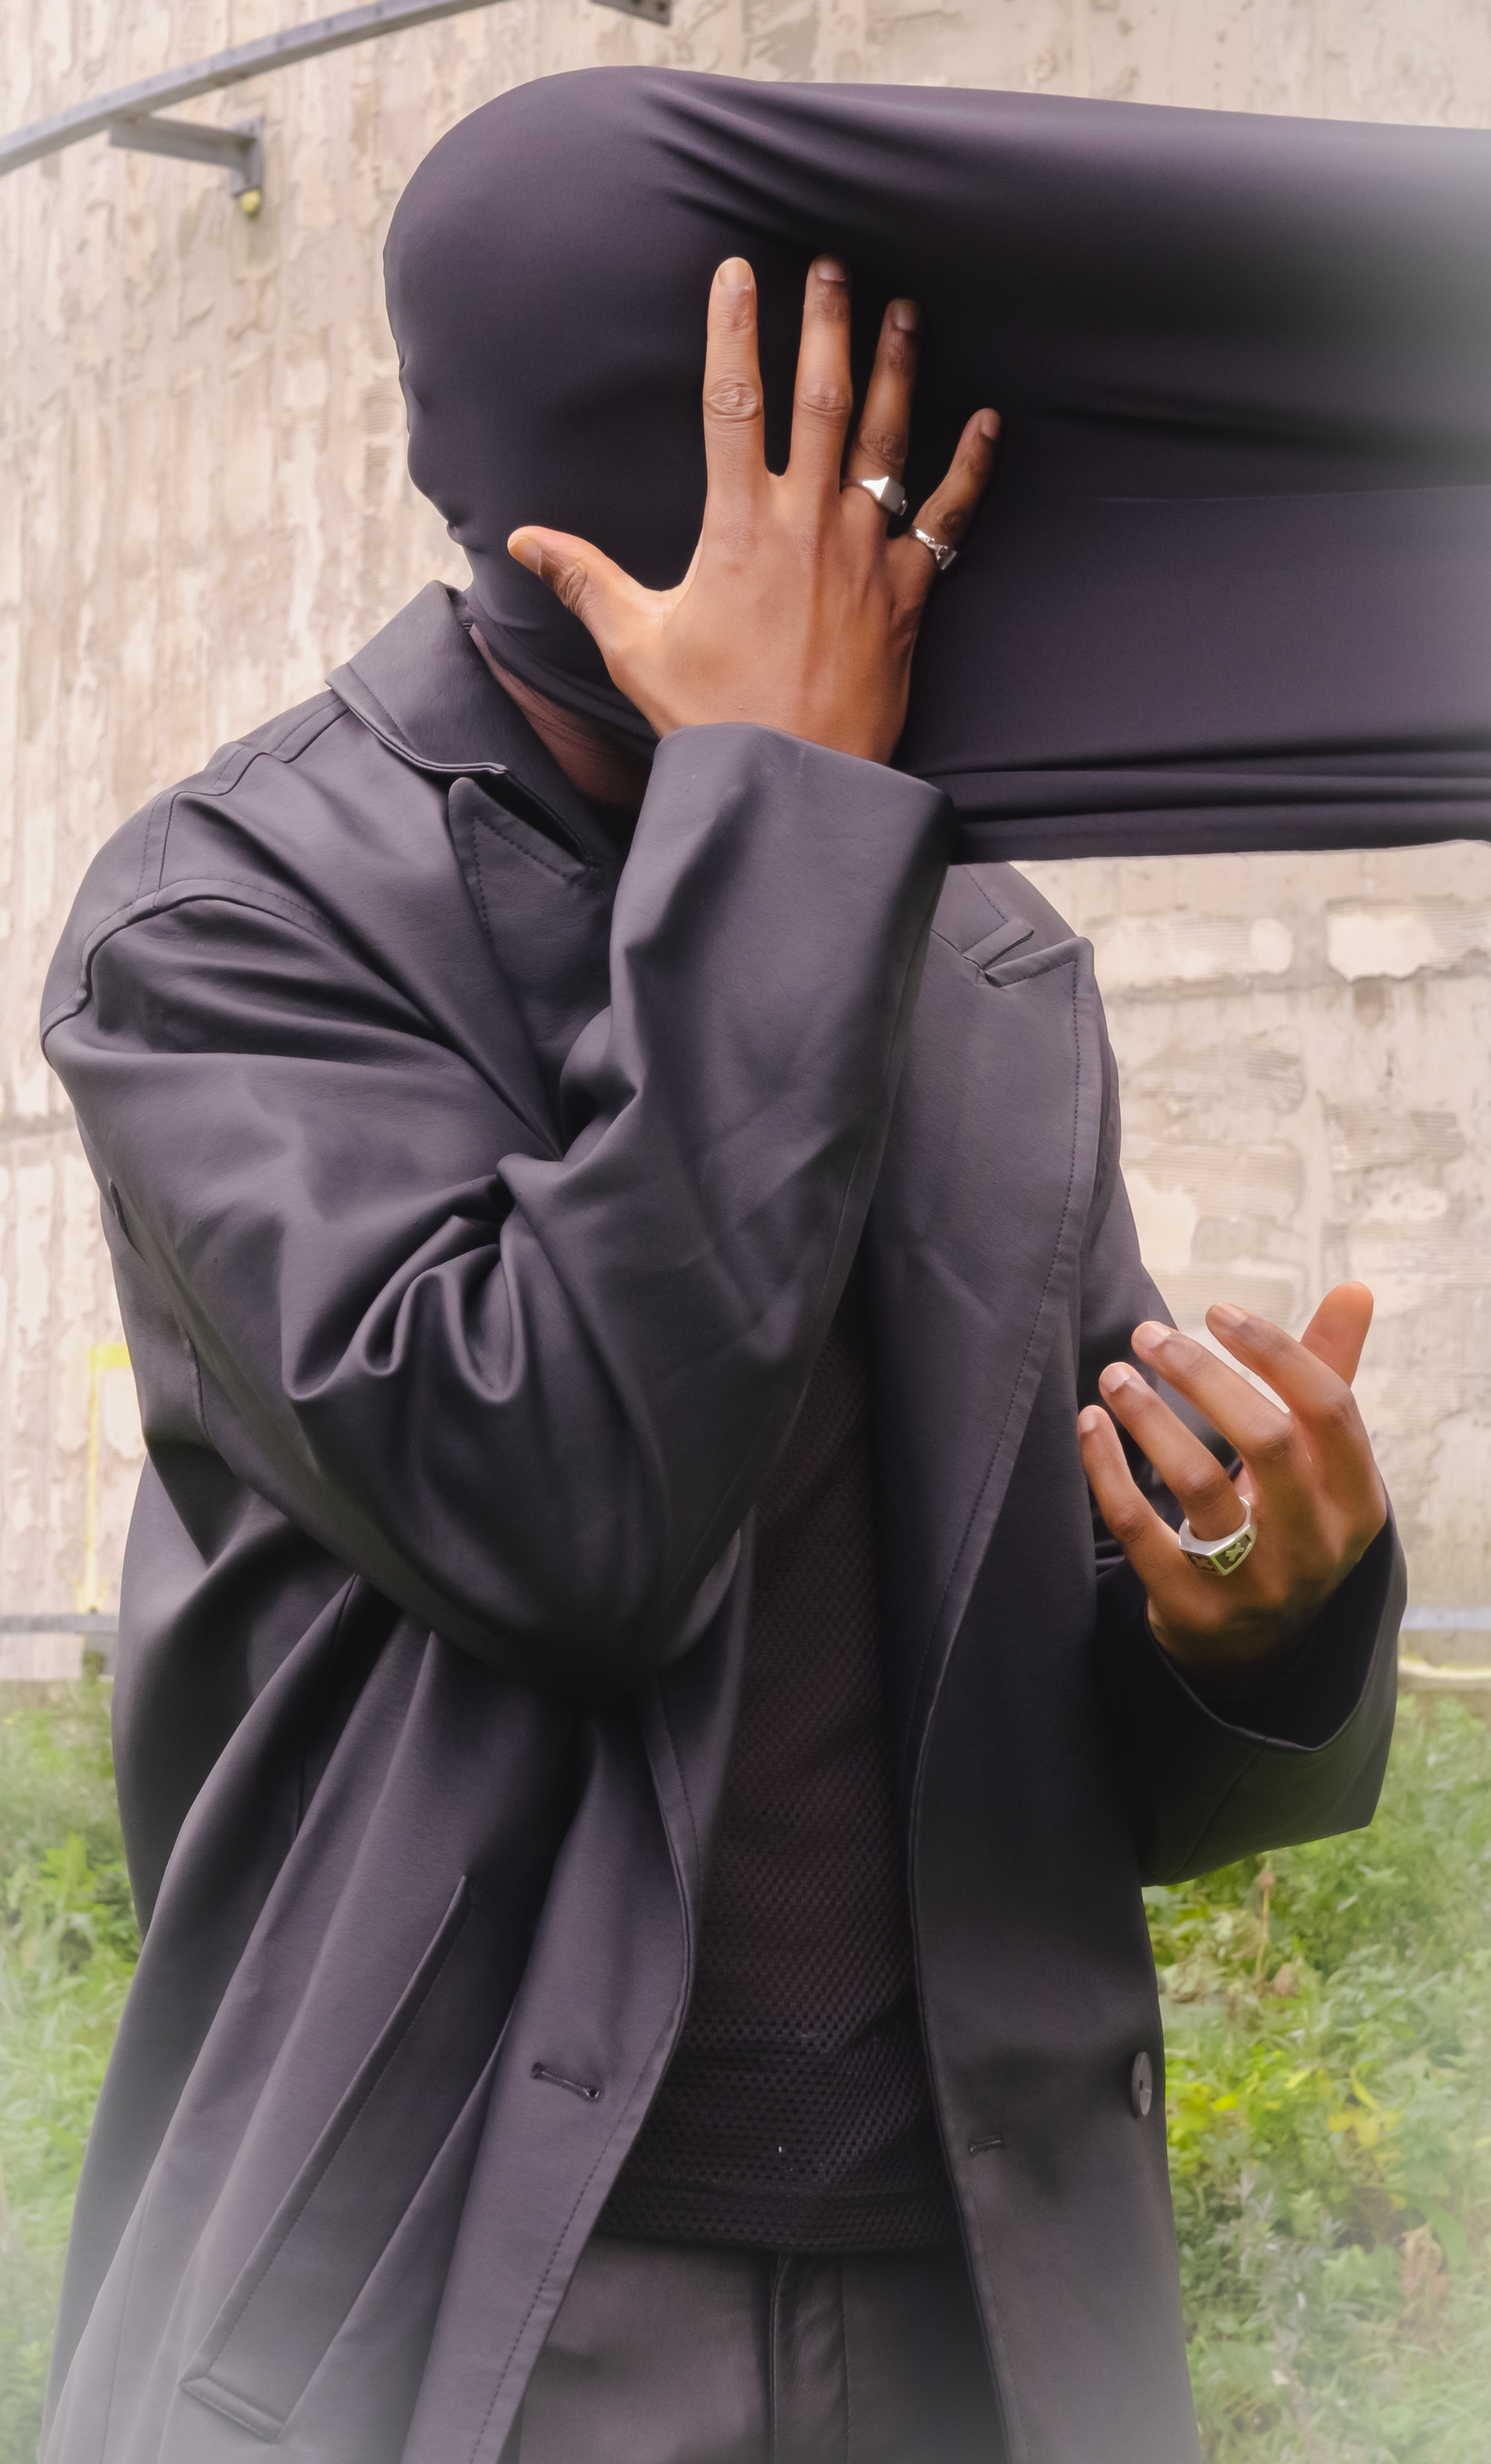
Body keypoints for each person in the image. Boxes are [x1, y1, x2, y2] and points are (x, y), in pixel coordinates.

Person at [40, 84, 1405, 2464]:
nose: (872, 522)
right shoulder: (232, 920)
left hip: (973, 2306)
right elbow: (551, 1501)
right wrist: (780, 824)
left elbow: (1039, 1715)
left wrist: (1255, 1624)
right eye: (812, 449)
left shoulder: (982, 964)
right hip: (478, 2304)